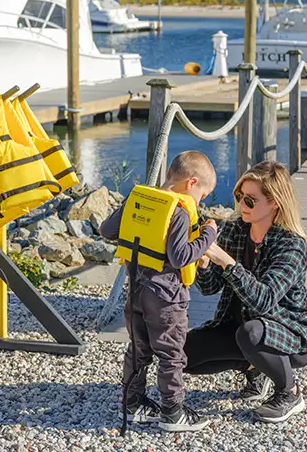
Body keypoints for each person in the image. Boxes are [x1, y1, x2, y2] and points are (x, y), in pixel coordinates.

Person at [184, 160, 307, 424]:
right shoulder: (237, 229)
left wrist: (225, 260)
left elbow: (264, 301)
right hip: (241, 328)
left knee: (251, 333)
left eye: (250, 200)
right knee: (184, 355)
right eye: (239, 197)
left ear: (274, 203)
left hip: (292, 334)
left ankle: (290, 392)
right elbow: (210, 287)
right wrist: (204, 262)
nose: (240, 206)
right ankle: (254, 367)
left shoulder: (291, 245)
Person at [100, 151, 219, 432]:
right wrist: (208, 235)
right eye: (202, 195)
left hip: (135, 290)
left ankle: (133, 403)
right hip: (167, 297)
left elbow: (107, 230)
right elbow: (180, 257)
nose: (200, 202)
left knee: (139, 349)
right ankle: (173, 412)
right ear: (191, 183)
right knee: (171, 354)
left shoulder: (138, 199)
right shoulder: (178, 210)